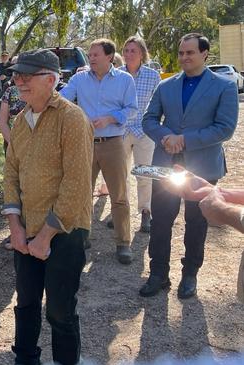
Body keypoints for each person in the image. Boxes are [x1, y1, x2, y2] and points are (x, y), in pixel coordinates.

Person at [3, 49, 93, 365]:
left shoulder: (72, 119)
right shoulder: (20, 120)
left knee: (60, 310)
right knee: (25, 302)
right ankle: (25, 360)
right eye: (17, 75)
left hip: (65, 231)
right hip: (26, 229)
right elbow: (11, 172)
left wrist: (45, 237)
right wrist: (16, 227)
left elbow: (77, 184)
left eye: (28, 75)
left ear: (52, 80)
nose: (19, 81)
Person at [139, 33, 238, 299]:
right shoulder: (166, 85)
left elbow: (225, 128)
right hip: (166, 166)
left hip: (202, 167)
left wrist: (184, 140)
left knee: (196, 222)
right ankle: (158, 274)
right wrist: (166, 138)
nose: (184, 58)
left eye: (190, 53)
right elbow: (149, 120)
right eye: (181, 53)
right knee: (161, 220)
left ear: (205, 54)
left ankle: (190, 273)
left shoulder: (224, 86)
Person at [60, 38, 138, 264]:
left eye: (95, 55)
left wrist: (111, 118)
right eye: (90, 54)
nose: (91, 58)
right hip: (84, 143)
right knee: (83, 192)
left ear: (109, 57)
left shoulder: (125, 80)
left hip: (114, 143)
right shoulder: (79, 79)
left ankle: (123, 243)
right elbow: (63, 98)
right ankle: (83, 235)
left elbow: (132, 109)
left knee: (119, 195)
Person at [119, 36, 161, 233]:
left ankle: (146, 212)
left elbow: (158, 105)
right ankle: (121, 212)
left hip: (144, 133)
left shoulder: (153, 76)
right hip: (120, 132)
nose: (128, 54)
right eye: (126, 50)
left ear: (142, 53)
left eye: (133, 50)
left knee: (144, 174)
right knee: (121, 175)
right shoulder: (116, 75)